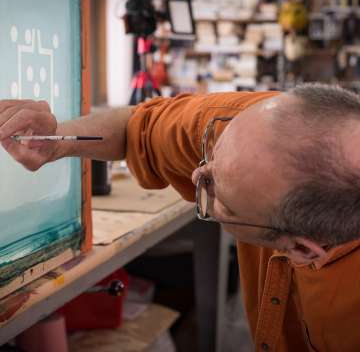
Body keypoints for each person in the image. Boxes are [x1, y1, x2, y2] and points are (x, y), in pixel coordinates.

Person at [1, 83, 360, 351]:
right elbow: (137, 128)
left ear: (302, 248)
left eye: (219, 200)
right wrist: (60, 140)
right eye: (212, 149)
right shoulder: (257, 129)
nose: (195, 175)